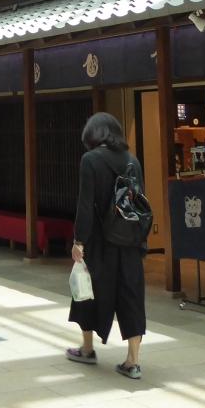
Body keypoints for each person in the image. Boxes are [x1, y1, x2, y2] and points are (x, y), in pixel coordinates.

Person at [65, 111, 146, 379]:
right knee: (131, 296)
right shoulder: (133, 160)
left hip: (100, 241)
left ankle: (87, 348)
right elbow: (140, 203)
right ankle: (133, 361)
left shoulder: (90, 160)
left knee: (87, 291)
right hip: (129, 241)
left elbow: (85, 205)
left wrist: (79, 241)